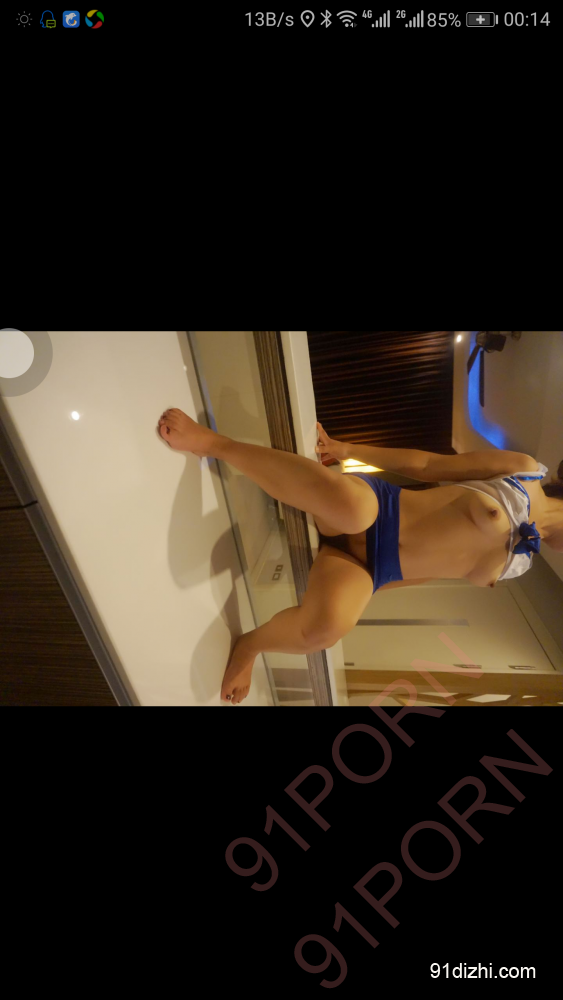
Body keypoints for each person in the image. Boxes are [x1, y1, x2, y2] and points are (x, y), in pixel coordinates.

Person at [157, 409, 563, 706]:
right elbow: (428, 465)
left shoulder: (522, 564)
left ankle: (250, 646)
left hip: (372, 568)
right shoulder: (523, 473)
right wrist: (344, 448)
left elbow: (437, 570)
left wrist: (370, 589)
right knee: (354, 510)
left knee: (327, 629)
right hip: (376, 509)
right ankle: (216, 445)